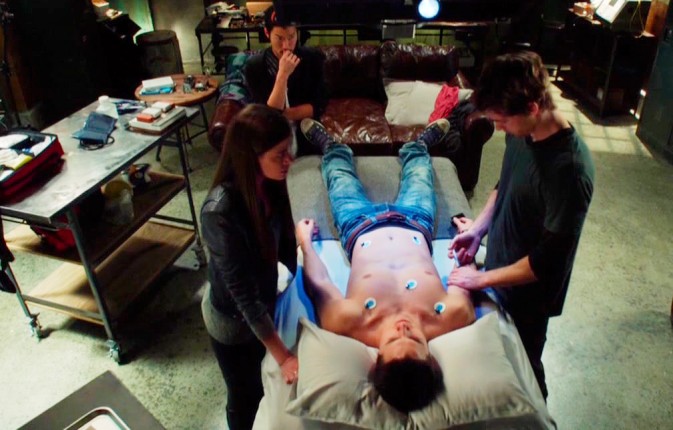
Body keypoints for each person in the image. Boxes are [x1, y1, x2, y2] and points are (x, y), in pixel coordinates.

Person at [296, 117, 476, 413]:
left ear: (376, 357)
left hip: (359, 226)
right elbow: (465, 274)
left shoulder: (346, 322)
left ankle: (331, 147)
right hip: (415, 222)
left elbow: (320, 283)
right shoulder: (455, 315)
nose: (403, 328)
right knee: (420, 174)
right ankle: (418, 146)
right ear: (431, 356)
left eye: (393, 339)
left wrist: (305, 243)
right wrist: (469, 237)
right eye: (415, 338)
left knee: (339, 178)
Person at [448, 51, 595, 400]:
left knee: (525, 371)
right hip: (500, 270)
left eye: (501, 121)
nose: (499, 128)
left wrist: (480, 279)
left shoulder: (569, 173)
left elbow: (546, 263)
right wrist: (479, 229)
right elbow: (506, 184)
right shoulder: (522, 132)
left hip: (528, 298)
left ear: (532, 107)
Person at [200, 104, 298, 430]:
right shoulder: (220, 212)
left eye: (288, 151)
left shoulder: (269, 184)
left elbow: (285, 238)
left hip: (261, 305)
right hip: (232, 322)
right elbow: (243, 296)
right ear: (250, 157)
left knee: (262, 386)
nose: (289, 161)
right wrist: (285, 357)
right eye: (280, 155)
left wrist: (300, 278)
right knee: (244, 396)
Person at [244, 6, 327, 156]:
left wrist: (285, 115)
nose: (286, 46)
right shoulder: (255, 66)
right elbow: (268, 115)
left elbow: (319, 105)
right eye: (279, 38)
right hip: (272, 135)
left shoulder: (313, 58)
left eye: (291, 37)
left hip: (306, 131)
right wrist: (282, 74)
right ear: (267, 33)